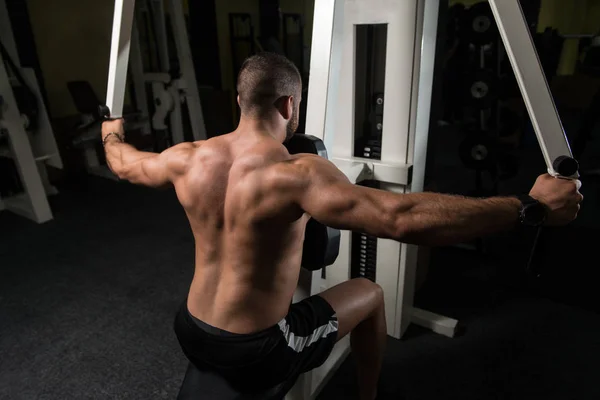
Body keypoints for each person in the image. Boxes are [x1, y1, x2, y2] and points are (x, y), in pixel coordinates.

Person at [100, 52, 583, 400]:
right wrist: (529, 206)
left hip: (189, 329)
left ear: (240, 101)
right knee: (370, 294)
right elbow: (401, 217)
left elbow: (123, 163)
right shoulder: (296, 176)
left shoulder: (187, 158)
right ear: (290, 107)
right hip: (258, 351)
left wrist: (111, 128)